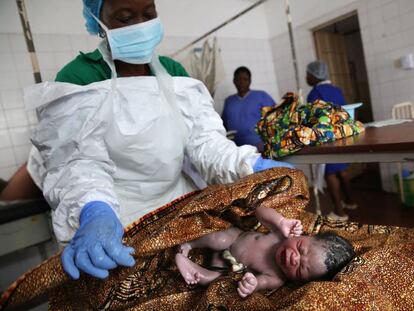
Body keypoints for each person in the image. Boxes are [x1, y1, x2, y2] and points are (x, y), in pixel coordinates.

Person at [26, 0, 295, 281]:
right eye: (126, 17)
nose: (141, 26)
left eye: (148, 14)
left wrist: (249, 163)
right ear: (99, 21)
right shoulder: (80, 77)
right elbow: (76, 162)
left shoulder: (173, 73)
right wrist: (94, 209)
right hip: (117, 218)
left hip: (179, 206)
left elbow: (205, 143)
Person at [175, 206, 355, 298]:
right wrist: (280, 220)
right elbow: (260, 212)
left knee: (220, 281)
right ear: (305, 235)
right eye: (300, 248)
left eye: (300, 269)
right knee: (218, 239)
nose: (294, 259)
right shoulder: (281, 234)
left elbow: (260, 283)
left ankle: (193, 270)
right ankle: (190, 245)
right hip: (234, 238)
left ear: (298, 281)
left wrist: (251, 284)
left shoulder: (277, 277)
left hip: (229, 265)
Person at [306, 60, 358, 221]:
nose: (306, 77)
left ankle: (339, 212)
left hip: (327, 137)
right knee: (341, 170)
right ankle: (350, 201)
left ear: (315, 75)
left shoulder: (314, 93)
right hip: (341, 134)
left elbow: (312, 118)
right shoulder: (336, 89)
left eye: (308, 74)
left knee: (330, 174)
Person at [221, 67, 276, 151]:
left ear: (250, 81)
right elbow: (223, 125)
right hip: (236, 149)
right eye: (238, 79)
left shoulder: (261, 96)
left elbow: (275, 118)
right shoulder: (229, 101)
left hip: (260, 147)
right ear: (234, 81)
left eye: (245, 79)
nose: (241, 82)